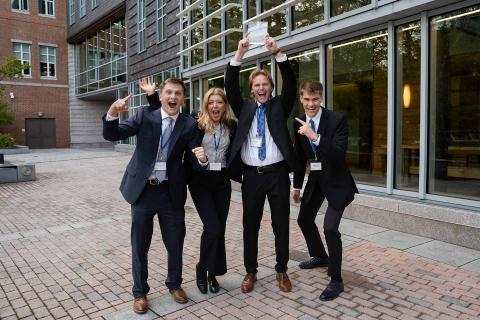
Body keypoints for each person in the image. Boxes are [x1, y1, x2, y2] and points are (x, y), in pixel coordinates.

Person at [102, 78, 196, 314]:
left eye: (178, 93)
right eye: (168, 93)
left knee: (175, 244)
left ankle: (174, 284)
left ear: (183, 98)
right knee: (139, 245)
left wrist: (202, 161)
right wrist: (113, 112)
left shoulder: (188, 125)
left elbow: (193, 160)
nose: (173, 97)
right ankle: (140, 292)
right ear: (162, 95)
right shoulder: (145, 116)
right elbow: (113, 135)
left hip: (170, 193)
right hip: (143, 191)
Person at [146, 87, 240, 294]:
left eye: (219, 102)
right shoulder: (196, 124)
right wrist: (153, 97)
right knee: (212, 227)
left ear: (225, 106)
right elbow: (168, 113)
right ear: (206, 105)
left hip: (222, 183)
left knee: (219, 231)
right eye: (211, 102)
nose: (215, 106)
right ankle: (201, 269)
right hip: (200, 183)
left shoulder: (231, 126)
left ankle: (213, 274)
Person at [225, 34, 298, 293]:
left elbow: (291, 82)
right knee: (250, 226)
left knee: (281, 224)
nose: (261, 88)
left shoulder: (280, 106)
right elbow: (230, 84)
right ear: (251, 89)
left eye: (265, 84)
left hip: (277, 174)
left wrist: (277, 52)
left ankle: (281, 271)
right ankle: (250, 272)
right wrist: (239, 54)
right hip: (251, 176)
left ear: (270, 87)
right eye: (257, 85)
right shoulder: (243, 107)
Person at [292, 80, 358, 301]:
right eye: (307, 99)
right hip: (317, 180)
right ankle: (320, 256)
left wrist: (315, 137)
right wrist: (297, 185)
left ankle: (336, 280)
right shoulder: (298, 122)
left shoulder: (337, 120)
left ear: (321, 98)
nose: (311, 104)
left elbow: (339, 154)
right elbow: (300, 158)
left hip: (338, 182)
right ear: (301, 99)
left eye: (315, 99)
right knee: (304, 219)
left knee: (330, 228)